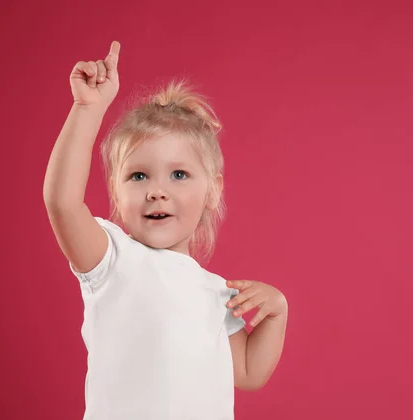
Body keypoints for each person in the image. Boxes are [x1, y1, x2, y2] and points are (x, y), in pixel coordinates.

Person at [43, 40, 288, 420]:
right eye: (138, 175)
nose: (157, 190)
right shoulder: (111, 260)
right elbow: (62, 202)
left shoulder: (217, 292)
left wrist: (276, 316)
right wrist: (87, 109)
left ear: (212, 190)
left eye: (179, 174)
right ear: (116, 193)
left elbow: (248, 373)